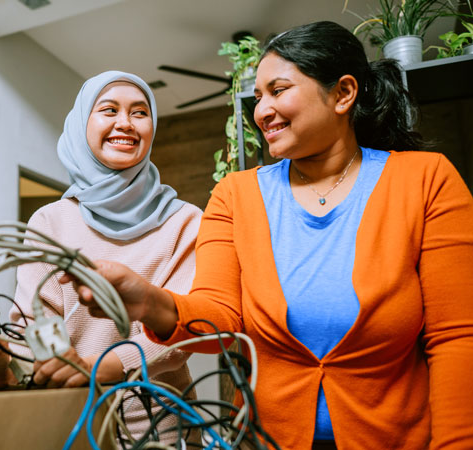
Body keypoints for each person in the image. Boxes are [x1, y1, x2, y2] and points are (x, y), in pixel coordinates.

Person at [67, 22, 473, 450]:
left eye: (278, 90)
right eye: (258, 97)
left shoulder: (426, 180)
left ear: (343, 93)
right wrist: (151, 302)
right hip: (265, 441)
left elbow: (457, 337)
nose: (261, 111)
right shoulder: (234, 195)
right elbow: (222, 321)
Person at [0, 71, 203, 443]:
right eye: (109, 110)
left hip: (166, 428)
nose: (125, 123)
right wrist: (7, 364)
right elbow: (35, 323)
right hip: (74, 423)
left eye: (140, 112)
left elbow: (185, 329)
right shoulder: (51, 221)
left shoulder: (187, 221)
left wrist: (99, 368)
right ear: (83, 122)